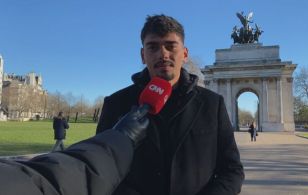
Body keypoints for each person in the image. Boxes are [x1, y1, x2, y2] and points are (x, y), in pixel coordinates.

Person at [96, 14, 244, 195]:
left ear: (185, 54)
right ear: (143, 55)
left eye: (170, 45)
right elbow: (103, 171)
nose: (163, 54)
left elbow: (232, 170)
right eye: (153, 46)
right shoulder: (116, 104)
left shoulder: (212, 104)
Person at [0, 106, 149, 195]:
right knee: (59, 145)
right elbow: (48, 183)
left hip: (58, 135)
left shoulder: (55, 119)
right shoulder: (62, 119)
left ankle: (58, 152)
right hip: (71, 144)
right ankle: (57, 153)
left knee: (60, 145)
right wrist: (122, 138)